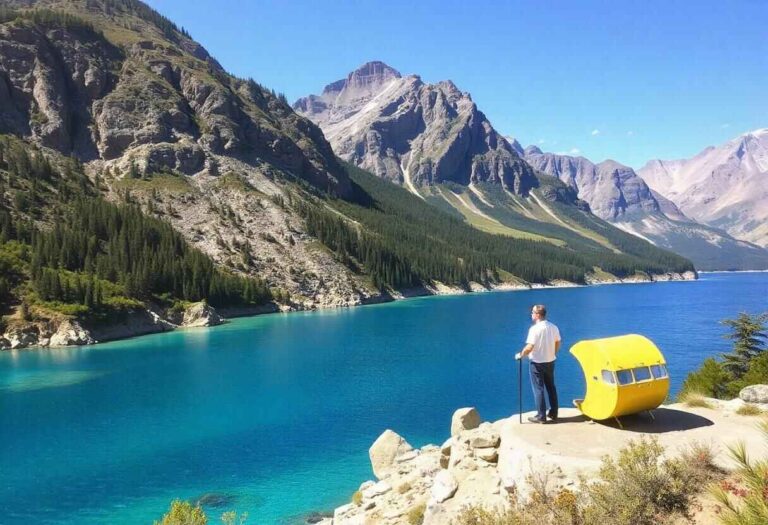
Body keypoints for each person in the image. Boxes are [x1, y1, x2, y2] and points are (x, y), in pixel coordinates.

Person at [515, 304, 561, 424]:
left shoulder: (534, 329)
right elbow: (558, 342)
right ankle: (554, 413)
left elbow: (530, 347)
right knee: (551, 387)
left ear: (537, 315)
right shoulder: (553, 327)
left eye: (532, 312)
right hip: (550, 361)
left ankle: (541, 416)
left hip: (537, 363)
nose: (531, 314)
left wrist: (520, 355)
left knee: (538, 389)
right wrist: (552, 353)